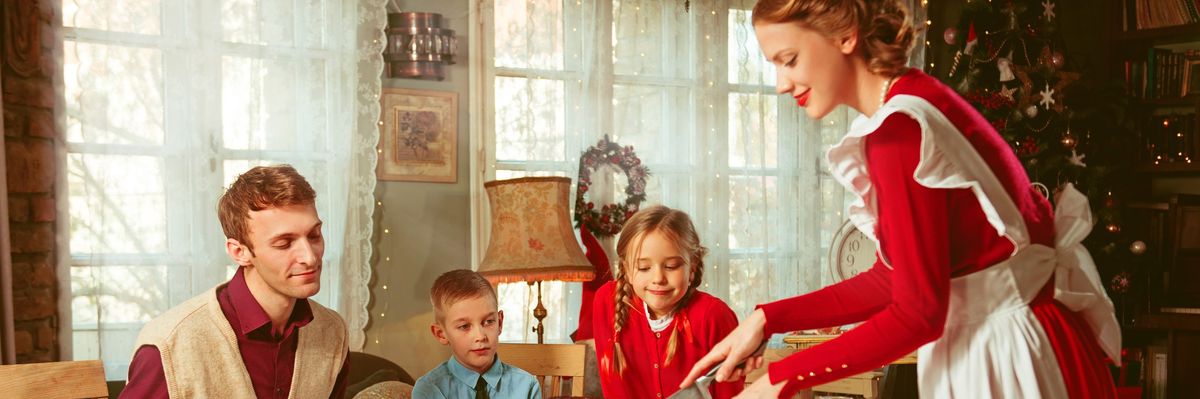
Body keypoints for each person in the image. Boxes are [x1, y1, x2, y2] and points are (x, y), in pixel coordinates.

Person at [680, 1, 1121, 398]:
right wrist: (766, 319)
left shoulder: (898, 135)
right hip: (1028, 340)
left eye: (789, 60)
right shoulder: (916, 98)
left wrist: (782, 377)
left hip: (1004, 359)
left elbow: (918, 315)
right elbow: (895, 279)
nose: (780, 84)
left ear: (845, 35)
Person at [122, 165, 349, 398]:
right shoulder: (171, 344)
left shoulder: (332, 332)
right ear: (239, 252)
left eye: (314, 236)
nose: (310, 257)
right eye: (284, 243)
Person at [592, 205, 743, 398]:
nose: (658, 278)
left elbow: (730, 393)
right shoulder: (607, 302)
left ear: (693, 266)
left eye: (671, 266)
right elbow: (613, 388)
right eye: (644, 267)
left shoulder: (713, 316)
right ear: (627, 269)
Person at [412, 269, 541, 399]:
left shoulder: (527, 386)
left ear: (500, 323)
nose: (480, 336)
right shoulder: (429, 390)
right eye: (464, 326)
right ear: (441, 334)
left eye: (489, 322)